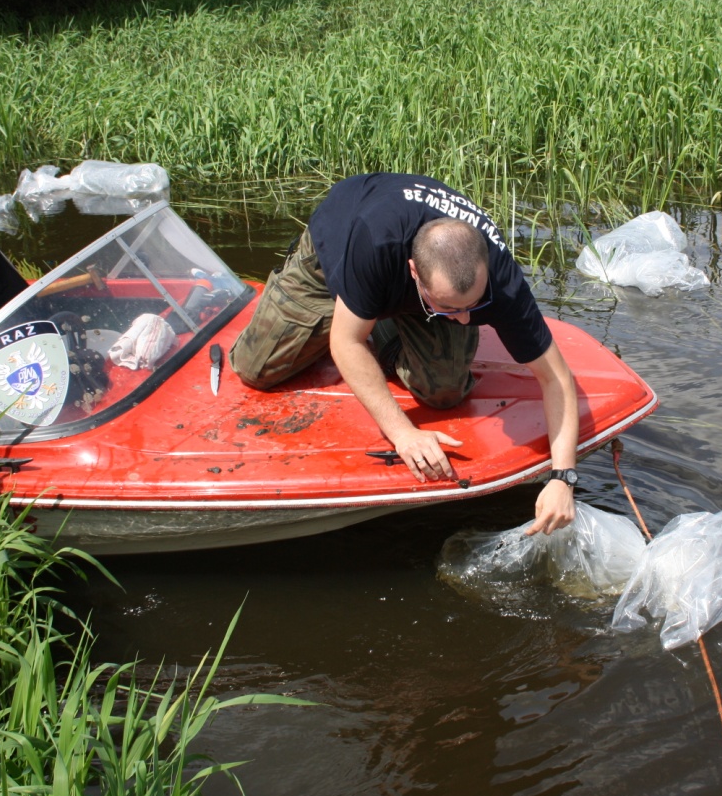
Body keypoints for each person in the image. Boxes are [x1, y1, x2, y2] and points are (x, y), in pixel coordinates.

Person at [230, 173, 578, 535]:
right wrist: (403, 433)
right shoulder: (373, 241)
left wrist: (562, 478)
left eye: (473, 305)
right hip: (341, 247)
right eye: (450, 308)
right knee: (256, 370)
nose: (464, 320)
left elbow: (556, 378)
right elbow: (346, 343)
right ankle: (348, 306)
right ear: (414, 272)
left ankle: (378, 322)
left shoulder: (501, 278)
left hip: (413, 285)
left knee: (444, 392)